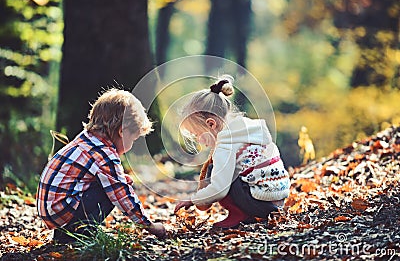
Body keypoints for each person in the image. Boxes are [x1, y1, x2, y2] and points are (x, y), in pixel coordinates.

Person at [37, 88, 166, 243]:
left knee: (116, 182)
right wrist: (150, 226)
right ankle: (79, 232)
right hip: (62, 211)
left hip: (53, 210)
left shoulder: (85, 139)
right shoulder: (105, 154)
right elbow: (122, 194)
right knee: (116, 188)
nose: (131, 145)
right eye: (133, 139)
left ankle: (66, 232)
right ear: (121, 131)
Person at [174, 75, 290, 228]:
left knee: (214, 170)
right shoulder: (248, 130)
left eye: (197, 135)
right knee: (229, 170)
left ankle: (239, 214)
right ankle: (247, 213)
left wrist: (193, 200)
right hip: (277, 200)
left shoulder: (225, 146)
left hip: (260, 202)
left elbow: (219, 189)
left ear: (211, 124)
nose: (199, 142)